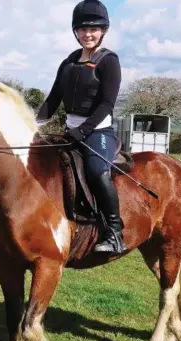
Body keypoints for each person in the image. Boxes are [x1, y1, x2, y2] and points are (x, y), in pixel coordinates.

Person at [37, 0, 127, 254]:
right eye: (83, 29)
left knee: (97, 170)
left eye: (94, 29)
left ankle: (114, 232)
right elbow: (53, 98)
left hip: (98, 131)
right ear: (76, 32)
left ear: (103, 31)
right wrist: (31, 124)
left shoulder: (109, 61)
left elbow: (107, 103)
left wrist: (84, 130)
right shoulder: (68, 62)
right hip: (70, 131)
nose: (88, 34)